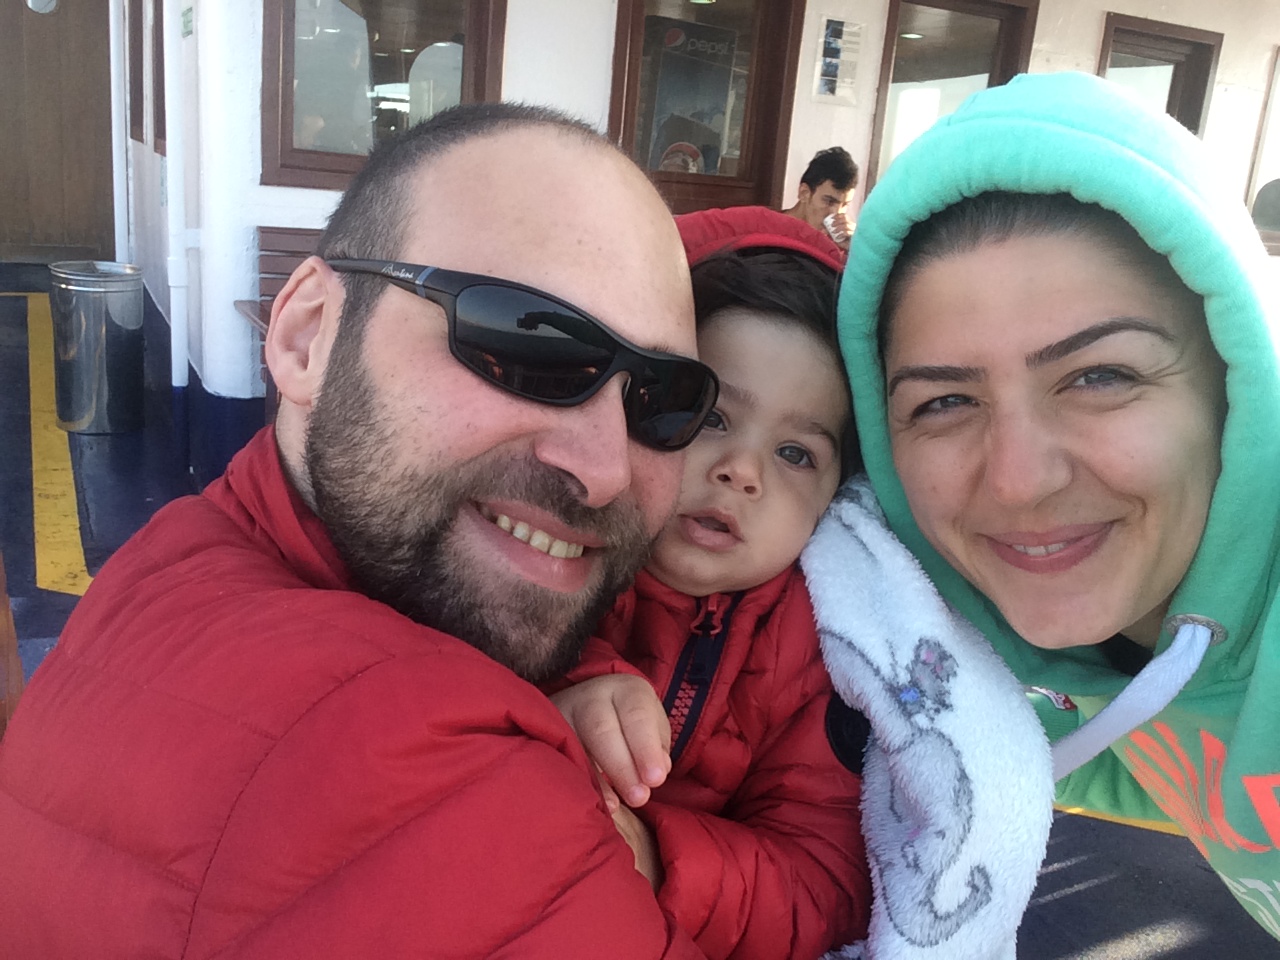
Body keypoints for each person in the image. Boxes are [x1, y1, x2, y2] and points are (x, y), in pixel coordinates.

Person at [0, 103, 721, 958]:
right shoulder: (448, 789)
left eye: (664, 401)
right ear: (306, 334)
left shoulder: (177, 556)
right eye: (530, 346)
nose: (605, 469)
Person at [835, 70, 1280, 939]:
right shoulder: (1086, 664)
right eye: (944, 401)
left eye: (1100, 376)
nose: (1019, 480)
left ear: (1237, 391)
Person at [549, 206, 871, 960]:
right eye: (713, 417)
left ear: (836, 499)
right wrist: (564, 685)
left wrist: (660, 860)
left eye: (796, 454)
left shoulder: (820, 648)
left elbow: (826, 882)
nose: (742, 471)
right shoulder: (554, 540)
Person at [782, 147, 859, 251]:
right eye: (829, 201)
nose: (836, 213)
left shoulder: (839, 244)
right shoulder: (769, 227)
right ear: (804, 193)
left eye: (845, 205)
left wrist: (854, 249)